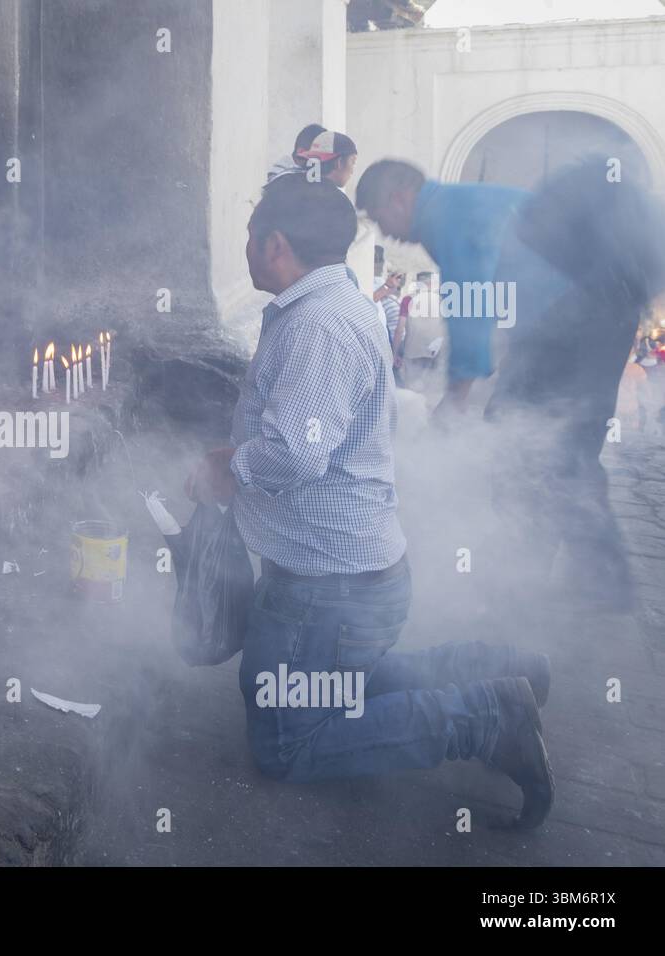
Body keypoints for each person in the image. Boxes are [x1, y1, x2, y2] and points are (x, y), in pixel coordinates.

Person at [188, 176, 554, 828]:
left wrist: (231, 467)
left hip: (327, 586)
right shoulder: (333, 305)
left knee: (285, 742)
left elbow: (300, 452)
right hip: (346, 580)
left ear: (273, 243)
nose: (242, 250)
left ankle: (486, 721)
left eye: (248, 237)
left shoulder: (318, 325)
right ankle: (502, 669)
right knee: (332, 683)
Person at [485, 159, 665, 610]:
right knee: (570, 454)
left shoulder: (562, 260)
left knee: (553, 452)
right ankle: (593, 578)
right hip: (588, 334)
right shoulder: (611, 274)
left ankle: (546, 571)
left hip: (572, 343)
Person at [355, 160, 527, 416]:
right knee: (510, 416)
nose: (385, 234)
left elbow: (470, 302)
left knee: (516, 420)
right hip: (574, 314)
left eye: (380, 219)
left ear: (398, 200)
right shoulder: (453, 203)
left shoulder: (448, 216)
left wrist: (456, 397)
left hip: (578, 313)